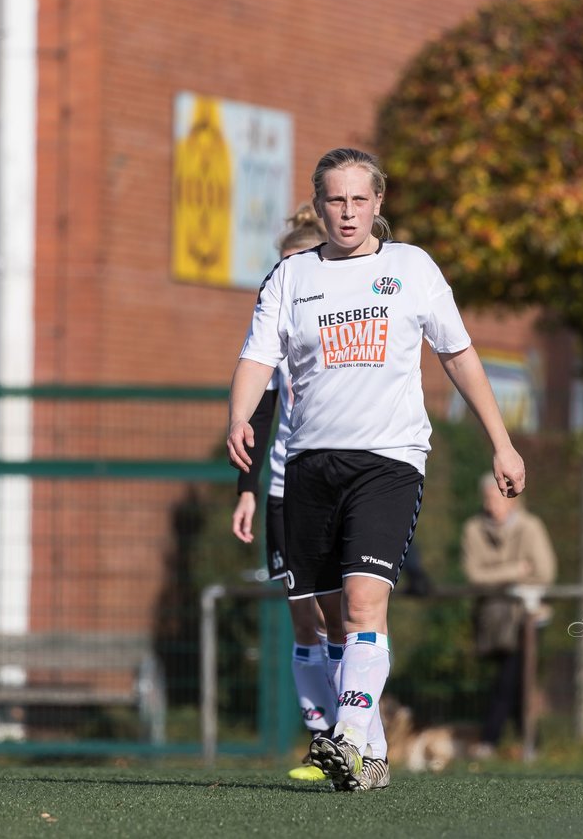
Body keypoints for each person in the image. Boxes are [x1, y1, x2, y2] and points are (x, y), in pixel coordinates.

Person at [227, 147, 526, 792]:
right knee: (328, 616)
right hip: (308, 464)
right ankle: (370, 751)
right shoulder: (290, 278)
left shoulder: (411, 268)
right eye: (336, 200)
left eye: (360, 200)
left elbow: (460, 355)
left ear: (378, 205)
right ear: (320, 203)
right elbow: (256, 359)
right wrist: (239, 418)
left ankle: (349, 739)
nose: (348, 212)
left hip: (389, 460)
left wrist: (501, 441)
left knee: (365, 602)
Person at [231, 204, 337, 782]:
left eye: (299, 264)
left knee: (344, 616)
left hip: (332, 482)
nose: (288, 277)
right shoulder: (273, 332)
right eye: (282, 266)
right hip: (281, 491)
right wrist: (247, 490)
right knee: (304, 620)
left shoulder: (340, 328)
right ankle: (323, 741)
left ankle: (358, 734)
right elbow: (261, 410)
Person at [461, 472, 556, 759]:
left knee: (510, 677)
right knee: (514, 680)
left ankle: (491, 738)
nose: (492, 503)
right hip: (493, 618)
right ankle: (531, 742)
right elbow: (473, 575)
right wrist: (515, 571)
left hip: (528, 616)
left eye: (497, 496)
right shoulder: (473, 529)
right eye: (488, 497)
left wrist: (495, 576)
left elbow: (544, 573)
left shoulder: (531, 527)